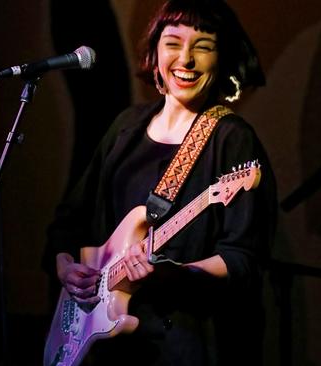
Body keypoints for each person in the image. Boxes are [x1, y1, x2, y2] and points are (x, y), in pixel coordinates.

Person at [43, 0, 277, 365]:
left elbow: (243, 258)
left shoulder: (232, 140)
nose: (186, 59)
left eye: (202, 47)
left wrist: (173, 273)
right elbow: (69, 221)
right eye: (173, 43)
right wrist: (65, 267)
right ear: (154, 53)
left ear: (222, 58)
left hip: (181, 341)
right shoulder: (126, 127)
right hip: (104, 342)